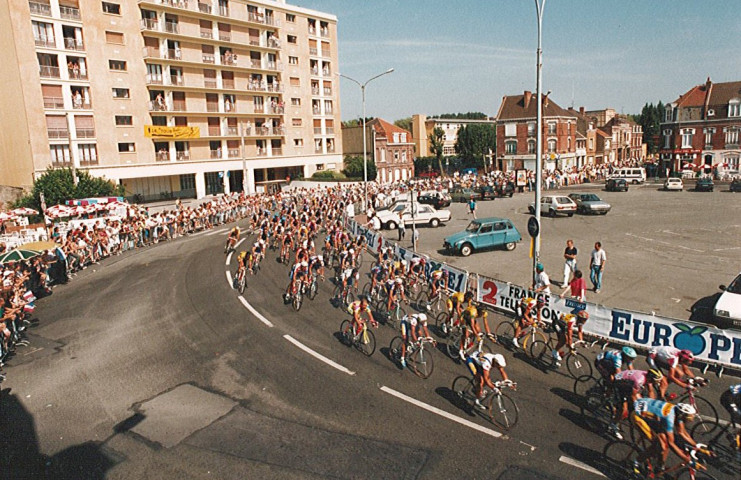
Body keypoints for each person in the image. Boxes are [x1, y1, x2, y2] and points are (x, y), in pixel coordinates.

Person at [631, 399, 700, 473]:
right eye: (689, 418)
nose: (691, 420)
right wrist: (688, 461)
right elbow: (671, 443)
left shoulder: (677, 411)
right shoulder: (669, 418)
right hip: (638, 417)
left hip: (648, 410)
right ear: (683, 415)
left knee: (664, 442)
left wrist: (697, 446)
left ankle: (659, 466)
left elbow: (682, 432)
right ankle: (636, 462)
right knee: (659, 445)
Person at [609, 369, 664, 439]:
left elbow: (651, 391)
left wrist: (652, 405)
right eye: (657, 380)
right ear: (651, 378)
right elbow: (633, 396)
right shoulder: (639, 380)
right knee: (624, 410)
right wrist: (638, 408)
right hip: (620, 384)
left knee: (642, 399)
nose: (658, 382)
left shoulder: (647, 376)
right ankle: (613, 425)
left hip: (629, 383)